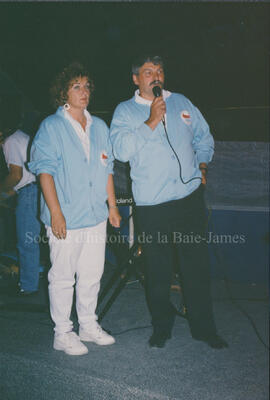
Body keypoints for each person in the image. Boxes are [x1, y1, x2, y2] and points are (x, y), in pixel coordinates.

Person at [110, 55, 228, 349]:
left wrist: (202, 166)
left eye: (159, 70)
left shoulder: (183, 102)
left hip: (188, 199)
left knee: (196, 267)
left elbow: (204, 137)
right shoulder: (125, 111)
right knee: (157, 269)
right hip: (152, 206)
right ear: (136, 79)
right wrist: (150, 121)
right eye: (148, 72)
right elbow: (121, 151)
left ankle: (204, 328)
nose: (156, 76)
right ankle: (161, 327)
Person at [29, 62, 121, 356]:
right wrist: (55, 213)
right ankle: (63, 332)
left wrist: (113, 206)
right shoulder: (52, 127)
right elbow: (44, 171)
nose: (84, 92)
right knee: (63, 276)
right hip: (65, 217)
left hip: (95, 216)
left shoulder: (100, 127)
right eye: (76, 86)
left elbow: (107, 169)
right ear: (63, 93)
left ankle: (88, 325)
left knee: (93, 274)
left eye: (87, 86)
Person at [0, 102, 41, 296]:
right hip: (38, 189)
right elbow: (26, 176)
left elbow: (16, 176)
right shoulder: (23, 137)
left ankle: (28, 286)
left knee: (27, 242)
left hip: (29, 195)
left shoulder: (9, 142)